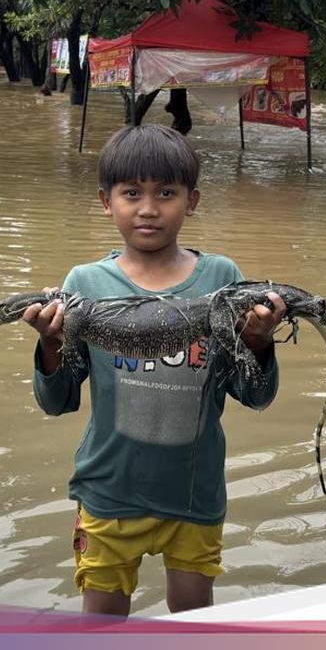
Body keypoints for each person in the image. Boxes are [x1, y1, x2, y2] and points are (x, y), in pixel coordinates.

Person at [22, 124, 285, 617]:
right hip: (108, 490)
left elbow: (255, 395)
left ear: (192, 201)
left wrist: (258, 341)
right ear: (106, 201)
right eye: (131, 193)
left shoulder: (223, 279)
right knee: (101, 624)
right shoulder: (84, 284)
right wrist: (50, 343)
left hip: (195, 493)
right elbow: (57, 401)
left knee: (193, 620)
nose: (148, 208)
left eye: (166, 193)